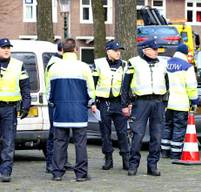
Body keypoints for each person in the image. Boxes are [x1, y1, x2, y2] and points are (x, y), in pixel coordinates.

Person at [46, 38, 96, 182]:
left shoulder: (54, 67)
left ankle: (57, 173)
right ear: (75, 50)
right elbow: (90, 90)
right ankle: (81, 174)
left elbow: (49, 91)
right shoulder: (84, 67)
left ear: (62, 50)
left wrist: (53, 103)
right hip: (78, 111)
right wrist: (90, 102)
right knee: (80, 143)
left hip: (60, 111)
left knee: (59, 142)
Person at [121, 39, 168, 176]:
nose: (156, 51)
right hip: (140, 102)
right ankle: (133, 165)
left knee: (157, 136)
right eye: (153, 49)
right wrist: (125, 104)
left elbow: (167, 83)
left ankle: (152, 165)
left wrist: (165, 101)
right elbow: (125, 85)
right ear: (145, 50)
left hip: (158, 102)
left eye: (157, 49)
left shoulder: (162, 63)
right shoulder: (134, 62)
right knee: (138, 134)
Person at [93, 40, 129, 170]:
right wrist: (92, 102)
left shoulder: (125, 65)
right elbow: (93, 83)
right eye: (115, 50)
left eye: (119, 51)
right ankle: (108, 158)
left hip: (119, 103)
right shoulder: (98, 64)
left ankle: (126, 158)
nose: (118, 53)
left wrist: (128, 103)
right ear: (108, 51)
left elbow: (127, 87)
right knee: (105, 133)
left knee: (123, 132)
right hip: (104, 103)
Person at [0, 38, 31, 182]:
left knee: (8, 141)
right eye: (3, 47)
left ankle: (5, 172)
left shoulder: (18, 65)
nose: (7, 50)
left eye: (8, 47)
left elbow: (25, 87)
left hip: (9, 108)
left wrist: (26, 105)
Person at [165, 44, 199, 160]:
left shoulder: (167, 63)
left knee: (167, 127)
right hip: (181, 104)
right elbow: (191, 86)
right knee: (179, 128)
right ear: (185, 54)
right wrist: (194, 101)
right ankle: (175, 154)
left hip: (167, 103)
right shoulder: (187, 67)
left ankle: (164, 151)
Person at [44, 42, 73, 173]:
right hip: (56, 102)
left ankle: (62, 160)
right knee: (55, 133)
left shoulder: (56, 62)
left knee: (62, 132)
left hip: (60, 101)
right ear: (63, 51)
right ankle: (51, 162)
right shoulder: (55, 64)